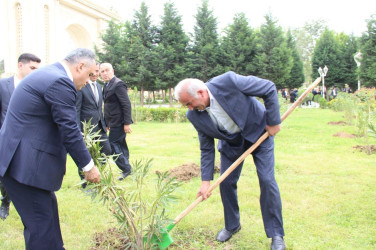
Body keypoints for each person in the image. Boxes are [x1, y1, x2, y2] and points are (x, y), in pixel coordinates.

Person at [0, 48, 101, 249]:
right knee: (42, 230)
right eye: (89, 75)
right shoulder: (59, 81)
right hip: (24, 168)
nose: (89, 81)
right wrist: (88, 167)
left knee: (47, 225)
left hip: (24, 165)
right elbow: (69, 129)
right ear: (80, 66)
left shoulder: (49, 74)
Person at [174, 71, 285, 250]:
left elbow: (268, 88)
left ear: (201, 93)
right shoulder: (194, 116)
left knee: (266, 180)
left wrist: (273, 121)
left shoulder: (229, 82)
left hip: (259, 133)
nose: (190, 108)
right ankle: (232, 225)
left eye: (189, 103)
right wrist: (205, 181)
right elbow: (206, 148)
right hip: (232, 144)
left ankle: (276, 234)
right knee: (225, 183)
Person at [0, 53, 41, 220]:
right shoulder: (3, 86)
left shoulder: (38, 88)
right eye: (32, 68)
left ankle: (28, 205)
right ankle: (5, 202)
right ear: (20, 65)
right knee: (4, 174)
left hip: (29, 141)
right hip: (5, 139)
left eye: (38, 69)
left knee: (27, 173)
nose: (35, 72)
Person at [76, 62, 112, 189]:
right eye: (94, 71)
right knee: (85, 155)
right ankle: (85, 183)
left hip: (100, 126)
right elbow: (77, 109)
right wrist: (79, 129)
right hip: (87, 128)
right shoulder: (81, 86)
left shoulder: (98, 86)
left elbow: (99, 108)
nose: (96, 74)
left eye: (98, 71)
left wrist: (105, 123)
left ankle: (97, 174)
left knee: (107, 151)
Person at [100, 63, 132, 180]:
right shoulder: (107, 85)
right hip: (112, 121)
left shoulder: (118, 84)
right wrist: (107, 122)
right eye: (102, 71)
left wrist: (127, 123)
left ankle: (126, 168)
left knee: (112, 145)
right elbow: (109, 105)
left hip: (119, 122)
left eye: (107, 70)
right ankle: (126, 165)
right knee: (120, 143)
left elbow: (126, 104)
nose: (105, 73)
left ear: (112, 71)